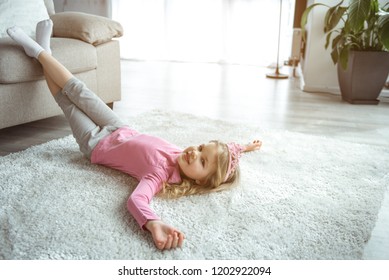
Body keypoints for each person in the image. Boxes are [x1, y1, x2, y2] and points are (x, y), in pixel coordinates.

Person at [7, 20, 262, 251]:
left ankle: (38, 51)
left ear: (201, 182)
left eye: (202, 161)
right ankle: (43, 52)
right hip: (120, 127)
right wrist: (244, 148)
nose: (195, 152)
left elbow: (136, 200)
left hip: (95, 144)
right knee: (78, 89)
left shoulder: (159, 174)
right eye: (201, 147)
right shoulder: (183, 155)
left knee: (67, 102)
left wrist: (153, 222)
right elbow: (224, 150)